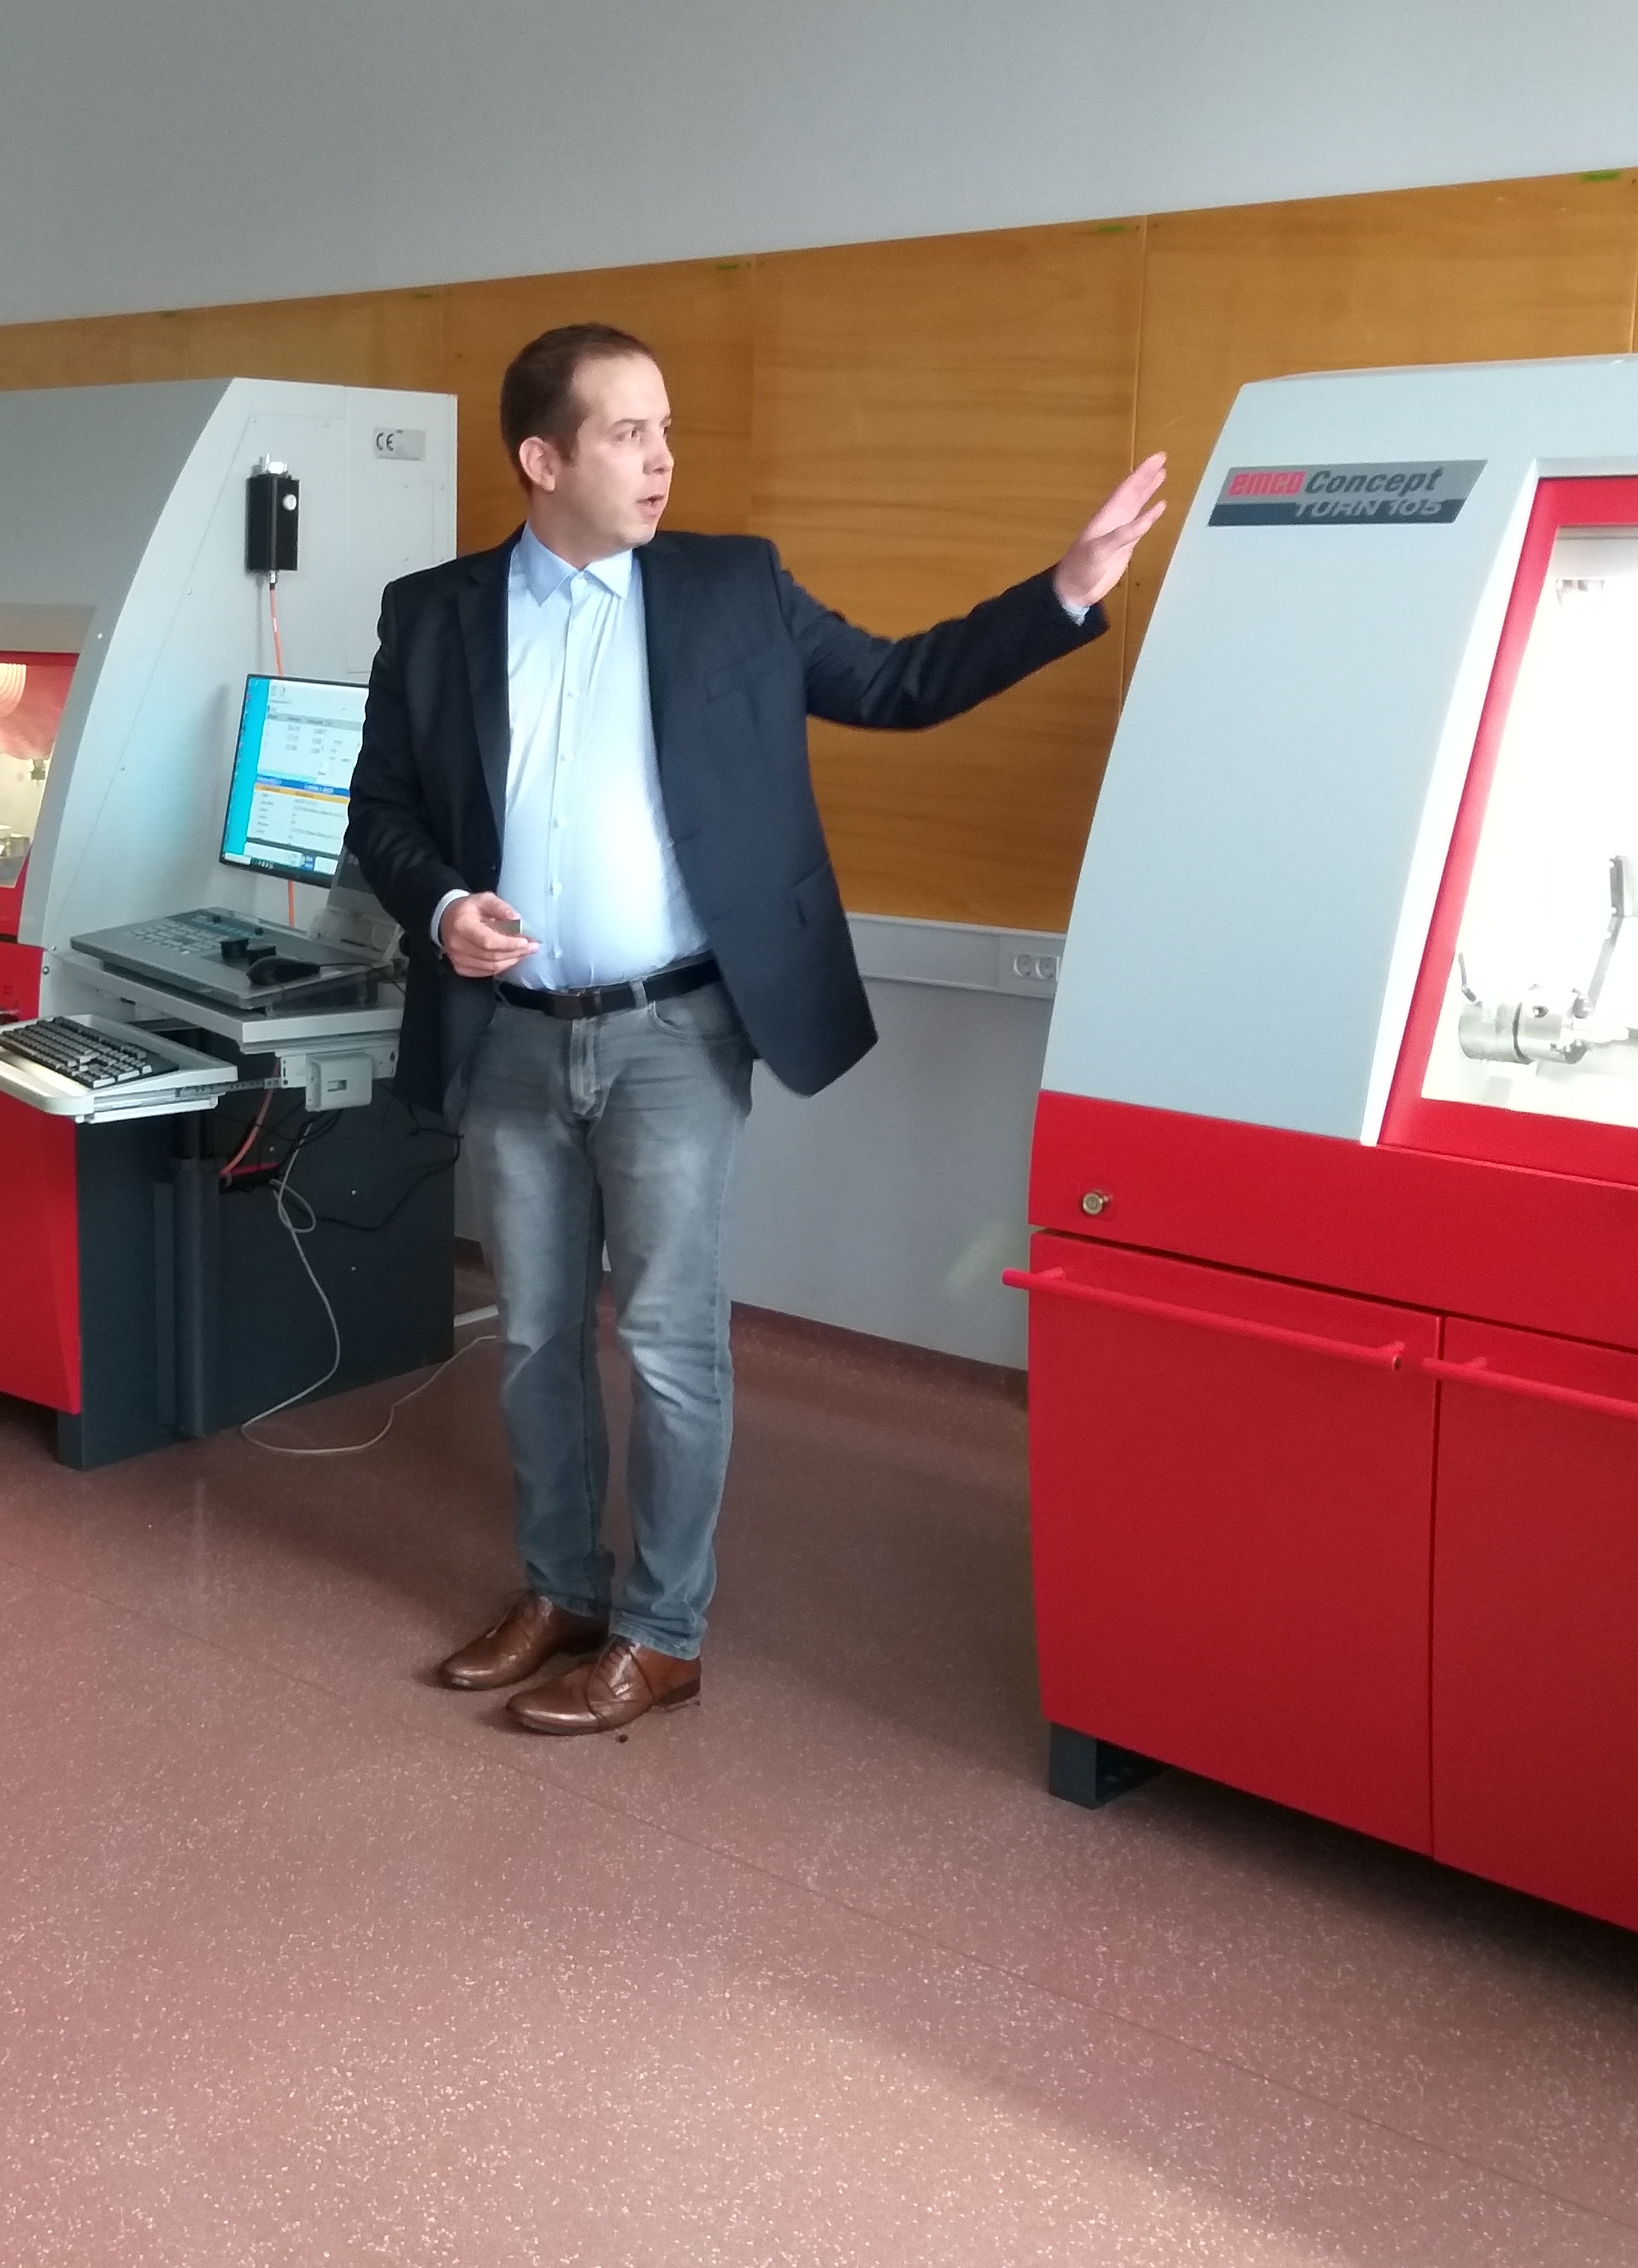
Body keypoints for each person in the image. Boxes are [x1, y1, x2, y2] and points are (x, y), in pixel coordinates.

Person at [345, 323, 1165, 1733]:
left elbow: (899, 685)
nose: (662, 458)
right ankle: (562, 1588)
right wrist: (443, 906)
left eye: (666, 429)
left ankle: (662, 1630)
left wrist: (1065, 593)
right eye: (627, 433)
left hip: (675, 1035)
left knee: (670, 1341)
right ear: (543, 458)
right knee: (534, 1338)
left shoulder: (733, 587)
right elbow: (383, 812)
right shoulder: (433, 613)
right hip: (512, 1034)